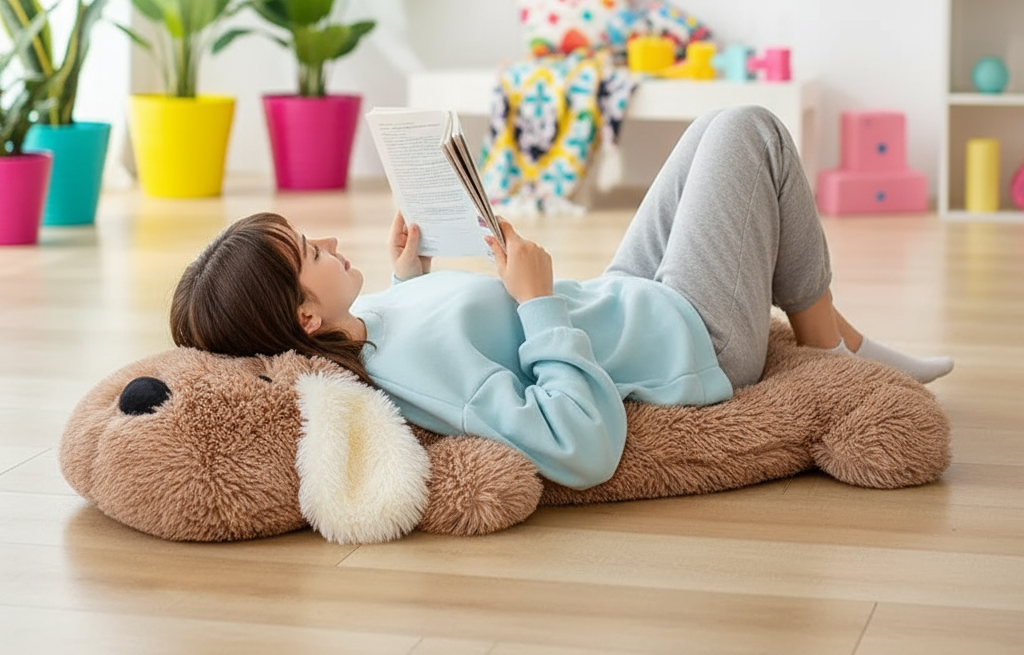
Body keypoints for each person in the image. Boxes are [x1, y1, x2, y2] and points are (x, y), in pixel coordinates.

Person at [170, 106, 953, 490]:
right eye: (313, 252)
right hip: (694, 340)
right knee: (752, 133)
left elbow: (445, 336)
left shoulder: (367, 333)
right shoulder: (408, 370)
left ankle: (837, 332)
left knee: (716, 124)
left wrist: (414, 276)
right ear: (307, 318)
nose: (332, 243)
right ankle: (827, 345)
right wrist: (536, 301)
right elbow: (582, 448)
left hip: (625, 298)